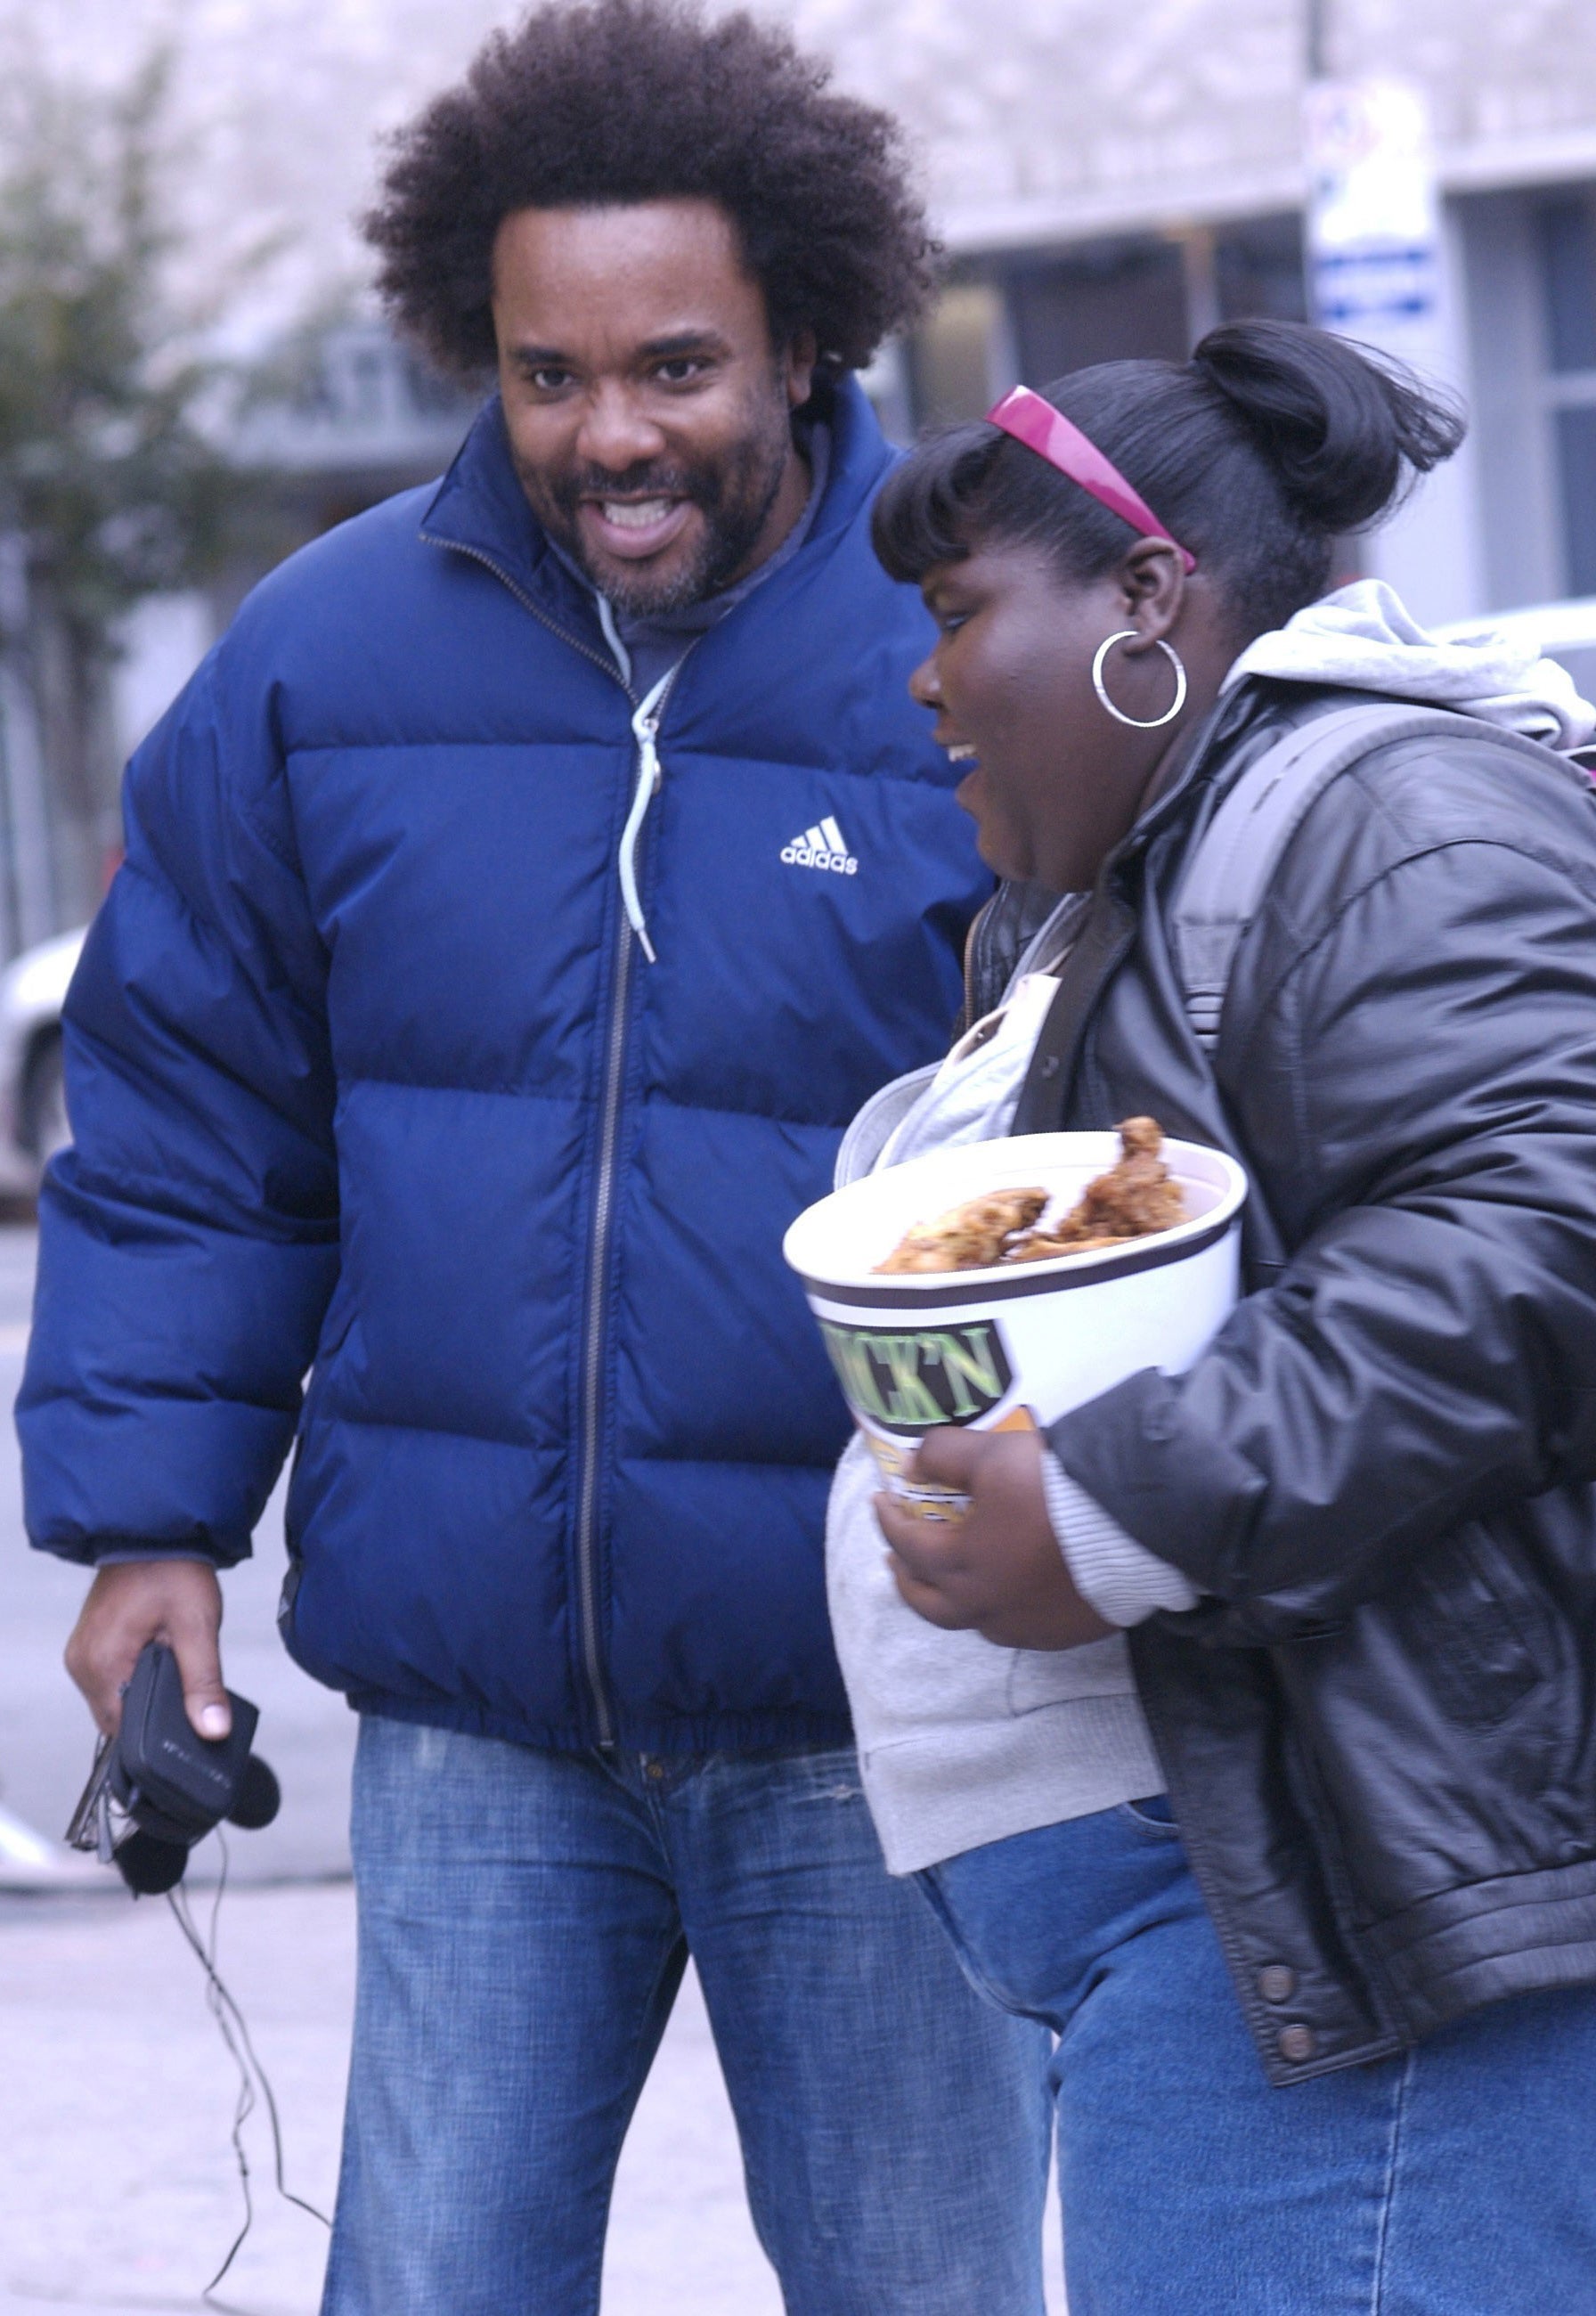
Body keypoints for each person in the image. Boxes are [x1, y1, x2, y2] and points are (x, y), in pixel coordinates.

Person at [16, 6, 1054, 2310]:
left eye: (674, 367)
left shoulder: (973, 652)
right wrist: (153, 1522)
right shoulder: (317, 660)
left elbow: (1124, 1148)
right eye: (545, 375)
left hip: (880, 1704)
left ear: (801, 335)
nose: (612, 437)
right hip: (481, 1721)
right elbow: (198, 1128)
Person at [824, 318, 1596, 2313]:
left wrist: (1106, 1509)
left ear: (1146, 593)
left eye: (958, 607)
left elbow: (1532, 1230)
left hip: (1346, 1961)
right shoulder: (1116, 887)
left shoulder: (1385, 817)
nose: (921, 676)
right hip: (1233, 1945)